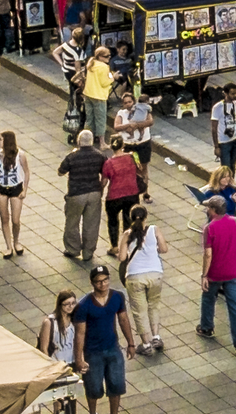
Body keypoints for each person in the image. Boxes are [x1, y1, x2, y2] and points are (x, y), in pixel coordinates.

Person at [75, 262, 133, 414]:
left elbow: (123, 319)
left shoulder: (117, 297)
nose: (103, 284)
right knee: (93, 387)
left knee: (116, 385)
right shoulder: (84, 305)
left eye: (106, 280)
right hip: (93, 352)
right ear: (93, 283)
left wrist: (131, 343)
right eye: (99, 282)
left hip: (113, 348)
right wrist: (79, 358)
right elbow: (80, 333)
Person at [198, 200, 236, 358]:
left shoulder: (209, 228)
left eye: (208, 207)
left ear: (213, 210)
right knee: (235, 307)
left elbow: (208, 254)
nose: (206, 209)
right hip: (233, 271)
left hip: (215, 273)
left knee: (208, 297)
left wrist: (204, 275)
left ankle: (207, 327)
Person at [118, 204, 165, 355]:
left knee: (140, 311)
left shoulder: (127, 234)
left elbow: (122, 257)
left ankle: (145, 345)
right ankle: (156, 336)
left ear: (130, 218)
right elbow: (164, 249)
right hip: (155, 273)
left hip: (135, 276)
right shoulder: (154, 229)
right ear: (146, 217)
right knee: (154, 305)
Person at [58, 130, 108, 263]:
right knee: (91, 224)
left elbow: (60, 171)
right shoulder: (100, 156)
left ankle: (73, 249)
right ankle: (88, 253)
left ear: (79, 141)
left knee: (72, 222)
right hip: (94, 193)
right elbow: (105, 173)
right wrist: (101, 189)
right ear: (92, 141)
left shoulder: (72, 156)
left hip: (76, 194)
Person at [100, 137, 143, 257]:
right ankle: (127, 244)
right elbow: (140, 169)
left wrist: (100, 191)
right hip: (132, 193)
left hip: (114, 196)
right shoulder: (132, 157)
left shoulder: (108, 163)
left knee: (113, 221)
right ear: (122, 145)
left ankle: (114, 247)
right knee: (128, 219)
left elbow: (104, 182)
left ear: (111, 147)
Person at [0, 130, 28, 257]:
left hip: (16, 188)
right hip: (1, 188)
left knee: (15, 220)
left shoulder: (20, 155)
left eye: (0, 139)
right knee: (4, 218)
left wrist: (25, 189)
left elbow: (27, 172)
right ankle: (8, 246)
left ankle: (16, 241)